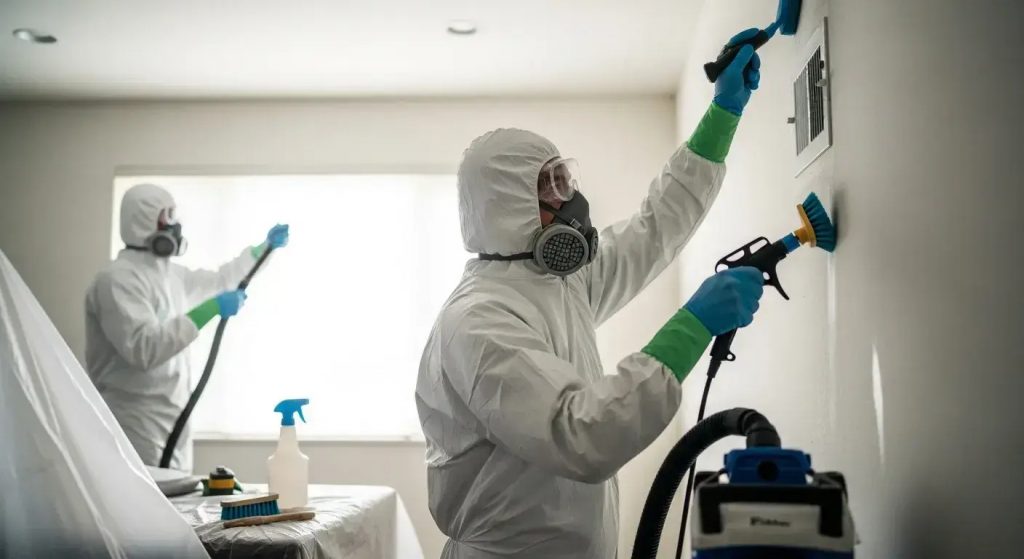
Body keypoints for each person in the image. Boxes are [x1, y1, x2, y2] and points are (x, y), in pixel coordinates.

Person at [416, 29, 767, 558]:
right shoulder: (478, 323)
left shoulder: (555, 282)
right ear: (506, 208)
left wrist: (722, 115)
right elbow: (583, 432)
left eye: (565, 179)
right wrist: (691, 326)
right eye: (550, 187)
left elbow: (653, 231)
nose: (572, 199)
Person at [85, 183, 289, 471]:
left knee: (174, 503)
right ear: (142, 220)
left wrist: (262, 251)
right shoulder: (116, 280)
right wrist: (210, 310)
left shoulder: (170, 276)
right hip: (132, 417)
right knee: (142, 505)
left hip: (174, 413)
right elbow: (144, 349)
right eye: (166, 215)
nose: (175, 224)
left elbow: (221, 280)